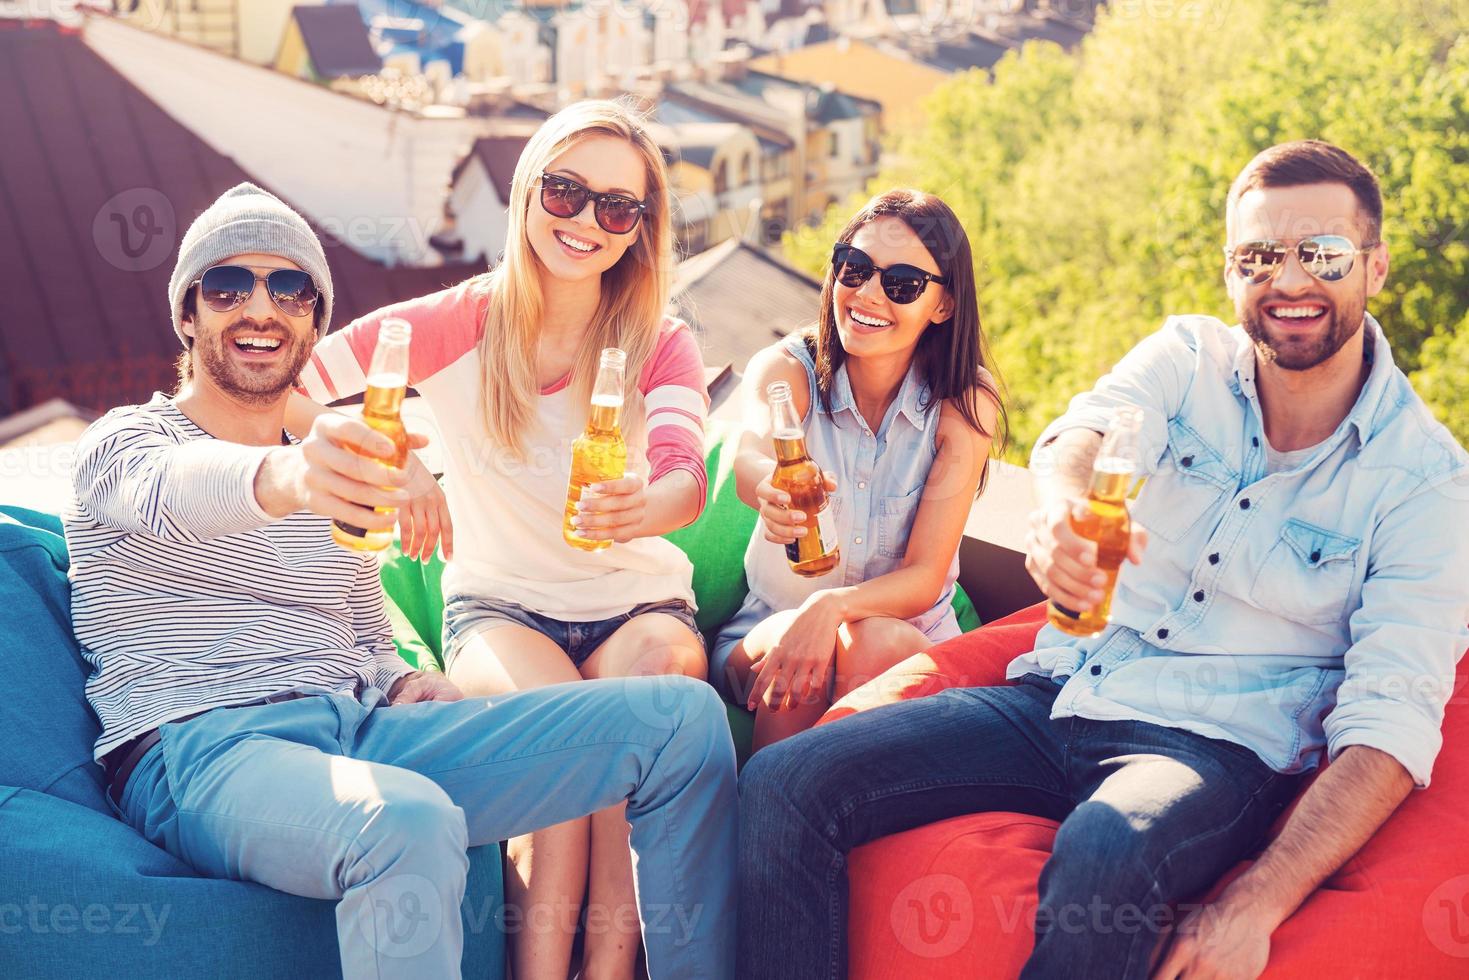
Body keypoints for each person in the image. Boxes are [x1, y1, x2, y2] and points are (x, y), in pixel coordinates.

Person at [737, 140, 1469, 978]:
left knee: (1104, 851)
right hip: (1061, 693)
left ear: (1373, 266)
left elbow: (1390, 729)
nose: (1289, 280)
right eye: (1259, 256)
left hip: (1211, 747)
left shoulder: (1424, 482)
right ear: (1231, 270)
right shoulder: (1184, 359)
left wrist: (1256, 900)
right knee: (785, 783)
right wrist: (1057, 513)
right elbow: (1079, 434)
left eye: (1323, 255)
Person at [67, 182, 736, 980]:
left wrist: (404, 680)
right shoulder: (126, 443)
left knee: (682, 721)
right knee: (408, 820)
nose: (259, 308)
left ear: (313, 325)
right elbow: (175, 489)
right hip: (203, 747)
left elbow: (361, 637)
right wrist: (286, 474)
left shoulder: (344, 484)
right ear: (187, 313)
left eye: (289, 290)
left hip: (360, 734)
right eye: (227, 286)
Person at [291, 99, 711, 980]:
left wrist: (646, 503)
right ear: (526, 194)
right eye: (566, 191)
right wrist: (394, 462)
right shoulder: (450, 323)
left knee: (656, 690)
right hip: (503, 609)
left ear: (639, 230)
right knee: (559, 758)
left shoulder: (657, 342)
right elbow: (293, 390)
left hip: (638, 605)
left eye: (616, 207)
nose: (586, 220)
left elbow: (685, 476)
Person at [711, 188, 1003, 750]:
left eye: (902, 284)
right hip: (772, 628)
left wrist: (834, 606)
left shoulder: (963, 403)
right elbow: (750, 453)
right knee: (810, 656)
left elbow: (923, 576)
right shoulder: (789, 368)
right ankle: (772, 822)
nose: (867, 293)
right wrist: (767, 487)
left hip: (907, 640)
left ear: (942, 305)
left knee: (871, 643)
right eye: (855, 267)